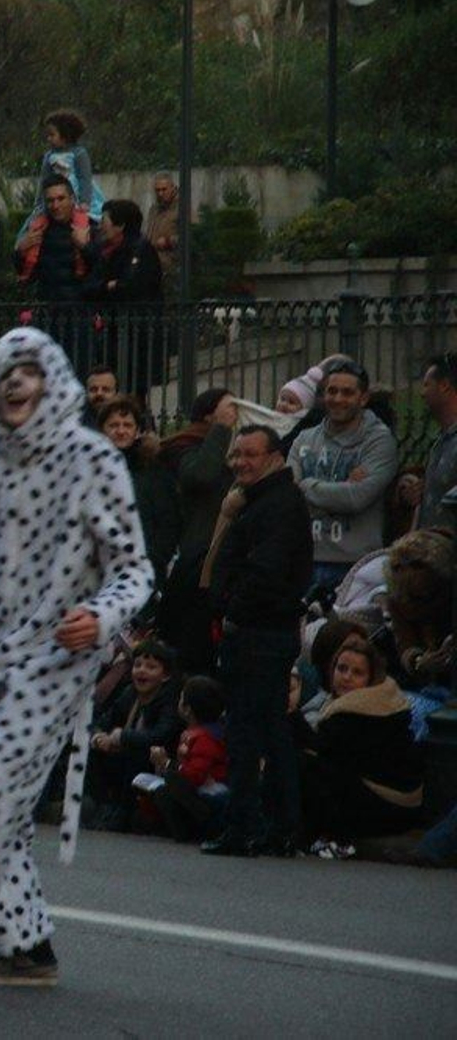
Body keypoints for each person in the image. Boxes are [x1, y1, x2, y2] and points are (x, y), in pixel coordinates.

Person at [0, 327, 153, 990]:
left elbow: (134, 571)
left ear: (52, 379)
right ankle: (29, 948)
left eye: (28, 370)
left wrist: (98, 615)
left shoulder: (94, 458)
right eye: (4, 373)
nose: (14, 382)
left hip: (58, 660)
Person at [203, 425, 313, 857]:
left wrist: (232, 612)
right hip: (260, 629)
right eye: (236, 455)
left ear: (274, 458)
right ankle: (275, 827)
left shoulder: (277, 506)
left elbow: (264, 573)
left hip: (259, 633)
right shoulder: (262, 501)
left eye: (250, 454)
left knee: (251, 733)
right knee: (266, 731)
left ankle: (247, 825)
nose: (240, 462)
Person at [299, 635, 425, 851]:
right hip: (394, 803)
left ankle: (304, 837)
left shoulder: (359, 712)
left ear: (370, 679)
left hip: (389, 808)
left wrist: (291, 716)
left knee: (304, 765)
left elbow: (321, 750)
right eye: (342, 668)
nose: (346, 677)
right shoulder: (379, 703)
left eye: (357, 673)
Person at [288, 358, 398, 598]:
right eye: (332, 391)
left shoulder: (379, 441)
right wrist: (339, 489)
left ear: (363, 398)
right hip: (306, 559)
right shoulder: (303, 439)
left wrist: (306, 485)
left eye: (347, 392)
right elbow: (289, 496)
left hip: (356, 565)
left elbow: (356, 498)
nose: (338, 398)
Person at [157, 388, 238, 674]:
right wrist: (220, 430)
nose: (236, 413)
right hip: (192, 563)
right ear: (209, 414)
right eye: (230, 407)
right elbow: (200, 475)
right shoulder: (185, 446)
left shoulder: (233, 449)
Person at [84, 639, 184, 831]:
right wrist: (98, 738)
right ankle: (103, 806)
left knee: (135, 753)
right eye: (137, 665)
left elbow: (160, 735)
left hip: (156, 765)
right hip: (123, 757)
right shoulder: (129, 693)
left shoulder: (169, 701)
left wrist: (123, 737)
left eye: (151, 667)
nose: (141, 671)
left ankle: (123, 812)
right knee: (92, 751)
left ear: (165, 676)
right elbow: (100, 722)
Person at [98, 396, 182, 586]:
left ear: (137, 431)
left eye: (127, 425)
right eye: (114, 425)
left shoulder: (154, 471)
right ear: (102, 430)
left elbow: (169, 522)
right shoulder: (87, 469)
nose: (121, 431)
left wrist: (153, 561)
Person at [138, 675, 229, 842]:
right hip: (199, 790)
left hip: (211, 795)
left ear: (187, 708)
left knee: (165, 790)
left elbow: (194, 775)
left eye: (181, 698)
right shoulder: (193, 733)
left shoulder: (206, 738)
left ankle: (191, 832)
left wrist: (166, 763)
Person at [16, 109, 104, 244]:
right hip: (55, 191)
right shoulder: (49, 156)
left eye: (52, 135)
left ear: (64, 135)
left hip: (76, 195)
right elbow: (45, 181)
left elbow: (85, 179)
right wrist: (39, 202)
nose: (48, 139)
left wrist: (85, 201)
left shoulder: (79, 153)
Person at [15, 176, 100, 304]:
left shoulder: (90, 228)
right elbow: (26, 273)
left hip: (80, 309)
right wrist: (20, 252)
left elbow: (102, 268)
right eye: (50, 200)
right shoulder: (37, 230)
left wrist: (85, 248)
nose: (55, 205)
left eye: (61, 199)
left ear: (72, 199)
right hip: (46, 308)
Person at [85, 199, 163, 302]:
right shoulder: (105, 250)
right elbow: (90, 285)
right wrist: (107, 285)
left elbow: (130, 285)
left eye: (104, 221)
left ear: (120, 225)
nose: (100, 226)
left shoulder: (141, 249)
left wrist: (110, 286)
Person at [413, 353, 457, 528]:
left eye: (426, 385)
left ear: (444, 386)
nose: (422, 393)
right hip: (434, 548)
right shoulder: (442, 440)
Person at [142, 171, 181, 289]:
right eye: (157, 190)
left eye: (164, 189)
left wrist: (169, 241)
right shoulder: (154, 210)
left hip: (171, 266)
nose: (160, 193)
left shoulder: (182, 209)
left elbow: (193, 236)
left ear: (173, 188)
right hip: (152, 264)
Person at [81, 365, 118, 430]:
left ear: (116, 393)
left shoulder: (126, 421)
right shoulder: (75, 422)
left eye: (105, 389)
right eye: (94, 389)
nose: (99, 393)